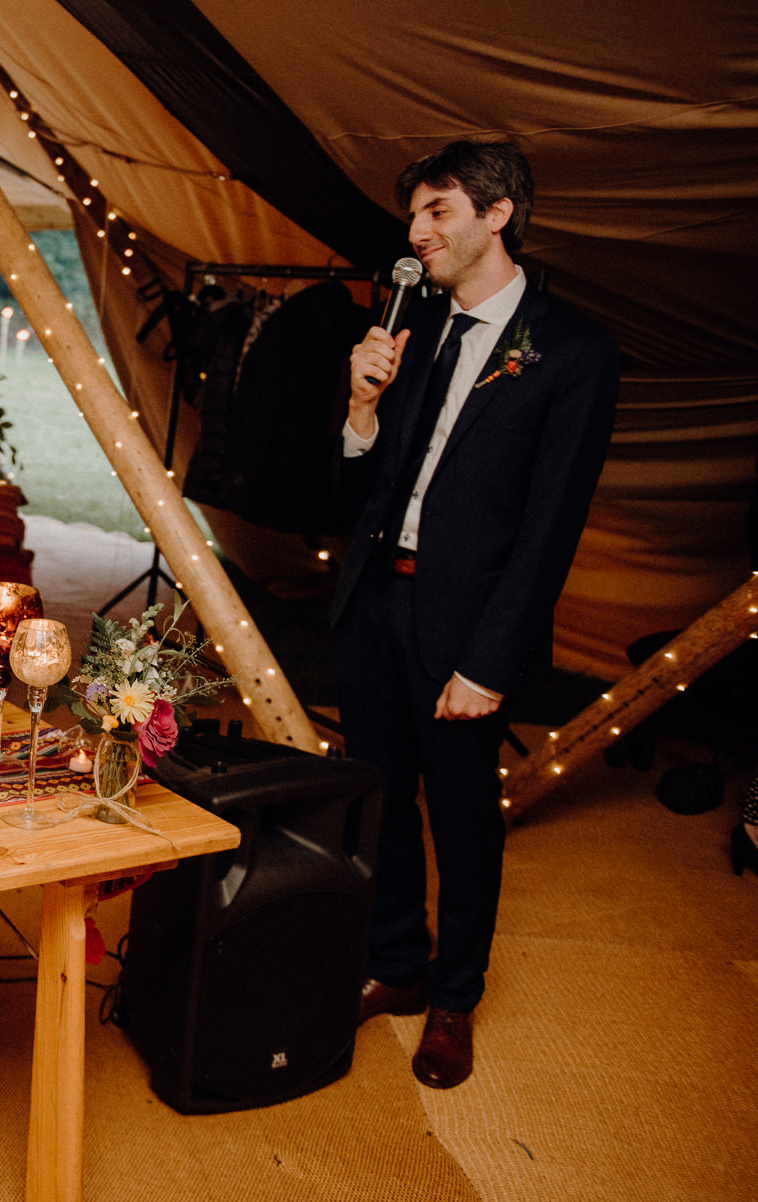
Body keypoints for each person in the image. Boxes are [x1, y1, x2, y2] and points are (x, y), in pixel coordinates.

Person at [332, 141, 618, 1089]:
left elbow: (550, 528)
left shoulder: (571, 351)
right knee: (377, 801)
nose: (417, 234)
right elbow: (367, 480)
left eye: (438, 211)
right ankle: (398, 966)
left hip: (466, 624)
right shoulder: (413, 326)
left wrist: (491, 661)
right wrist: (361, 407)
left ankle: (455, 996)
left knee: (461, 816)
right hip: (377, 599)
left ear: (498, 215)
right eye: (414, 216)